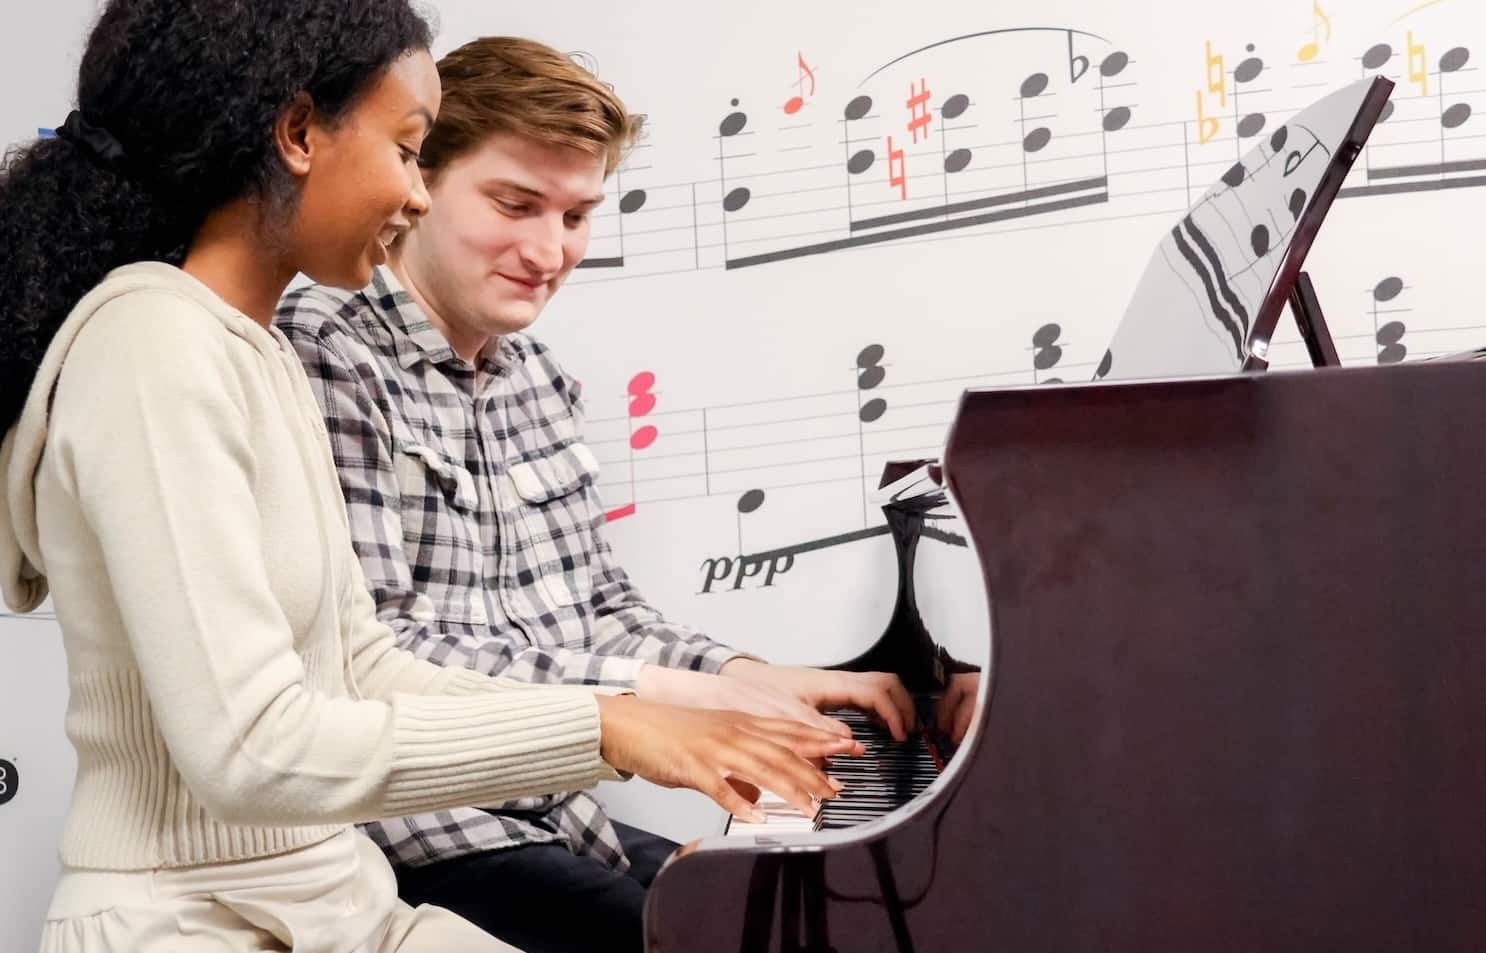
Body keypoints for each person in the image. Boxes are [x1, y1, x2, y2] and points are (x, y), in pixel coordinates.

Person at [0, 5, 857, 951]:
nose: (415, 195)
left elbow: (363, 665)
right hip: (192, 918)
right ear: (296, 136)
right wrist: (613, 728)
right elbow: (250, 747)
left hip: (327, 896)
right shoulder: (151, 348)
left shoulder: (253, 354)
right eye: (409, 150)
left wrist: (651, 712)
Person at [275, 36, 920, 953]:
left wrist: (749, 678)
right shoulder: (325, 351)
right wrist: (671, 708)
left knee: (810, 917)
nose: (548, 250)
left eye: (577, 215)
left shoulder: (540, 379)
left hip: (560, 818)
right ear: (419, 182)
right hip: (416, 839)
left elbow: (598, 611)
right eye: (516, 203)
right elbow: (379, 649)